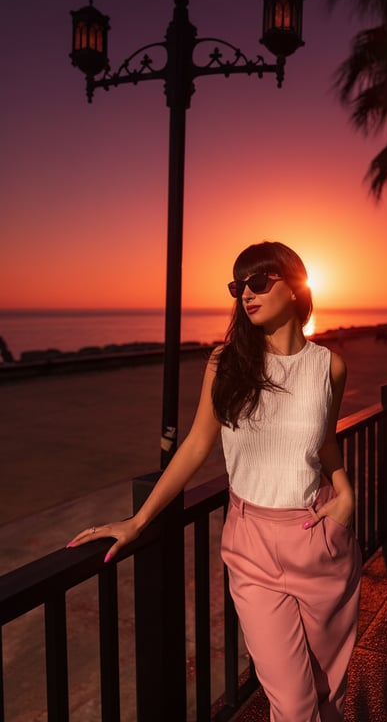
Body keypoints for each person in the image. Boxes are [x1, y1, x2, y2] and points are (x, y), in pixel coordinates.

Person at [68, 241, 362, 722]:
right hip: (252, 547)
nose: (246, 293)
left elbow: (324, 443)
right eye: (238, 285)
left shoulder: (329, 366)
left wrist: (345, 491)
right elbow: (195, 445)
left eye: (258, 282)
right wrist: (138, 521)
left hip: (320, 541)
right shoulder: (226, 363)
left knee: (328, 698)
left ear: (296, 287)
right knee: (294, 706)